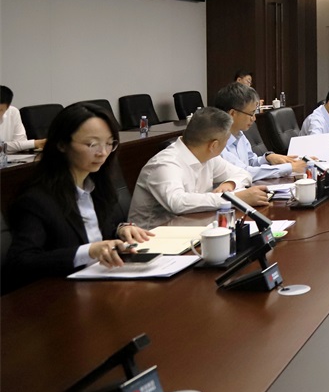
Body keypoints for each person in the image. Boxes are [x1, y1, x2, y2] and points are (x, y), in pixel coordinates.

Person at [4, 103, 153, 290]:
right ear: (61, 144)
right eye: (92, 144)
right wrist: (88, 252)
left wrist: (120, 230)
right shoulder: (36, 200)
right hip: (62, 294)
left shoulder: (97, 186)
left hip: (105, 282)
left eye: (109, 143)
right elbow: (20, 263)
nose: (103, 152)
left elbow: (97, 232)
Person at [127, 107, 269, 229]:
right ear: (213, 145)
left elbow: (243, 174)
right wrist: (234, 198)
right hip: (152, 240)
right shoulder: (165, 164)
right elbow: (177, 203)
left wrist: (230, 183)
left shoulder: (208, 157)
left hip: (192, 228)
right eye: (226, 141)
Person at [212, 83, 306, 180]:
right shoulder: (217, 143)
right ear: (232, 113)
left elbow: (251, 161)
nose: (254, 118)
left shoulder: (239, 134)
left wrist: (268, 158)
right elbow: (244, 172)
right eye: (251, 113)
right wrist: (289, 168)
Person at [0, 85, 45, 153]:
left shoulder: (13, 112)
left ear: (7, 107)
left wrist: (30, 144)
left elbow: (22, 143)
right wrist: (35, 143)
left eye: (0, 110)